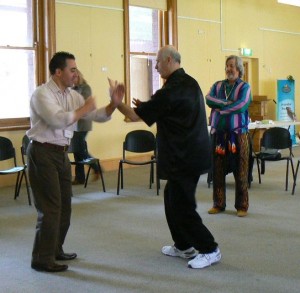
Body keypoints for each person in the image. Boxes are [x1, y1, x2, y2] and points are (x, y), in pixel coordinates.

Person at [116, 45, 221, 269]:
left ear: (170, 60)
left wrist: (117, 103)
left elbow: (136, 116)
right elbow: (169, 109)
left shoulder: (172, 89)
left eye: (158, 62)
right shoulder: (187, 83)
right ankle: (183, 245)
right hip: (188, 154)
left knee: (182, 206)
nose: (155, 66)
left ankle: (210, 249)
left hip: (185, 157)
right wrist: (148, 106)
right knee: (170, 197)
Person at [27, 51, 124, 273]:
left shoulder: (71, 95)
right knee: (50, 208)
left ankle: (55, 249)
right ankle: (42, 258)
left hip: (62, 154)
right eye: (72, 69)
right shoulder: (42, 94)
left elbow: (96, 115)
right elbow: (58, 120)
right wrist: (84, 108)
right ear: (58, 72)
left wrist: (113, 104)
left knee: (65, 207)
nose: (76, 73)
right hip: (42, 153)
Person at [206, 55, 252, 217]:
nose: (229, 69)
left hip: (238, 135)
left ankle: (242, 206)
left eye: (232, 66)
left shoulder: (245, 87)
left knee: (241, 170)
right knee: (217, 170)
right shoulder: (218, 85)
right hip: (219, 135)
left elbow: (242, 104)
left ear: (239, 69)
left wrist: (222, 108)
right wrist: (225, 103)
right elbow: (209, 99)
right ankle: (218, 204)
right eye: (227, 66)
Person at [72, 69, 100, 185]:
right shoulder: (71, 89)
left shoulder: (85, 87)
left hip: (84, 122)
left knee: (79, 149)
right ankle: (80, 178)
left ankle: (96, 167)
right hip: (74, 123)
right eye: (73, 77)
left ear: (80, 76)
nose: (74, 79)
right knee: (77, 150)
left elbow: (82, 104)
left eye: (76, 77)